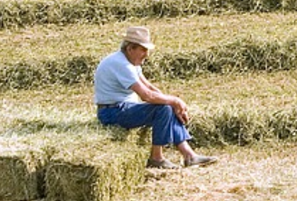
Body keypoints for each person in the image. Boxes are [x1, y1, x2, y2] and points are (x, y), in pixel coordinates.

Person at [93, 26, 217, 170]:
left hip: (123, 108)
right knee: (162, 108)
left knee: (167, 105)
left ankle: (189, 155)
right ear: (130, 48)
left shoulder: (129, 62)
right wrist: (175, 101)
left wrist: (173, 104)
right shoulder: (121, 65)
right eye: (143, 50)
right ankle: (156, 158)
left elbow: (151, 88)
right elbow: (146, 96)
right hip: (112, 112)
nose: (146, 54)